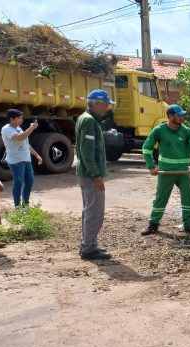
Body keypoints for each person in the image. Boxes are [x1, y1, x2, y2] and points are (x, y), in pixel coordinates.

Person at [140, 104, 190, 235]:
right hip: (166, 171)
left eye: (182, 115)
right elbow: (146, 149)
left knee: (188, 197)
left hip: (183, 171)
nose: (181, 117)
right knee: (161, 198)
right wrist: (151, 166)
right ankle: (153, 225)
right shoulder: (159, 130)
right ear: (170, 116)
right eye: (178, 115)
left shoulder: (187, 131)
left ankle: (189, 224)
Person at [76, 89, 114, 261]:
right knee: (95, 211)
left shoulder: (85, 118)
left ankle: (88, 243)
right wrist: (96, 175)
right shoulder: (89, 121)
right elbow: (86, 151)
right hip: (90, 175)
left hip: (85, 174)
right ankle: (89, 248)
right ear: (97, 103)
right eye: (105, 104)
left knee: (89, 209)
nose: (107, 108)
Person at [0, 109, 43, 207]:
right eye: (19, 118)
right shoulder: (6, 129)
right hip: (16, 160)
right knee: (18, 182)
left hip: (26, 159)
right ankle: (17, 206)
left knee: (30, 181)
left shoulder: (19, 128)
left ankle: (25, 204)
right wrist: (31, 128)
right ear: (11, 119)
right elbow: (20, 138)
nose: (21, 120)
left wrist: (37, 155)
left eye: (21, 118)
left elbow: (26, 144)